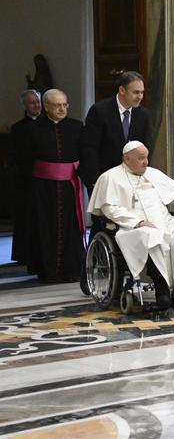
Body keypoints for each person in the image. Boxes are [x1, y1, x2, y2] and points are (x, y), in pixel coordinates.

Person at [87, 141, 174, 313]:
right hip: (132, 227)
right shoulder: (110, 177)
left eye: (146, 157)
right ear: (127, 158)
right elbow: (110, 208)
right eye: (141, 158)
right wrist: (137, 222)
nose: (145, 162)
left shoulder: (153, 173)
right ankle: (162, 293)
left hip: (165, 221)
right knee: (151, 237)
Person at [21, 89, 85, 282]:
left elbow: (82, 154)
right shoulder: (33, 128)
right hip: (43, 188)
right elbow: (25, 159)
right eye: (57, 105)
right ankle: (48, 271)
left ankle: (71, 270)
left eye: (65, 105)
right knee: (45, 227)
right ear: (46, 107)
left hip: (69, 186)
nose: (62, 109)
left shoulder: (76, 126)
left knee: (70, 226)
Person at [80, 71, 151, 192]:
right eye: (135, 92)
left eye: (142, 92)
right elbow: (89, 148)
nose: (140, 96)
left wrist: (142, 175)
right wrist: (95, 180)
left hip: (132, 180)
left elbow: (146, 146)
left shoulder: (142, 114)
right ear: (122, 90)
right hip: (103, 178)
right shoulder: (99, 111)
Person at [10, 89, 42, 266]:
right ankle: (24, 254)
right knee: (26, 217)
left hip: (44, 178)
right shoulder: (18, 128)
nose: (36, 105)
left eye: (37, 101)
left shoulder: (48, 124)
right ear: (24, 105)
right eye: (32, 102)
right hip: (26, 179)